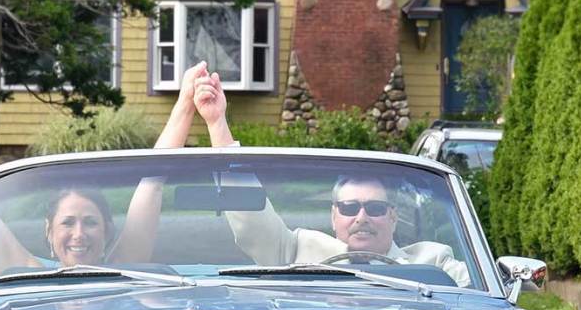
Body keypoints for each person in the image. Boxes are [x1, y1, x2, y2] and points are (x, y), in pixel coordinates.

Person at [0, 61, 211, 273]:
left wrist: (185, 105)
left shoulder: (128, 264)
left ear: (108, 230)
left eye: (90, 222)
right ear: (49, 232)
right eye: (68, 222)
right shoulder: (25, 272)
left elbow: (152, 183)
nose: (79, 234)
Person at [188, 69, 472, 286]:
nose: (362, 217)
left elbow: (481, 304)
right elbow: (252, 219)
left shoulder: (433, 261)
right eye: (349, 208)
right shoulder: (299, 252)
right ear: (334, 217)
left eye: (375, 208)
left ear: (393, 217)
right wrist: (217, 123)